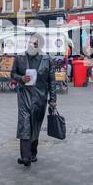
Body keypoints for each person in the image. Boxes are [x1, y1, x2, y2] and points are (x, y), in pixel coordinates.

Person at [11, 34, 57, 167]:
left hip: (40, 98)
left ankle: (32, 153)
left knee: (35, 125)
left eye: (35, 43)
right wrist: (21, 78)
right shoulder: (20, 57)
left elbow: (51, 81)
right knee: (24, 124)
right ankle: (25, 156)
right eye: (30, 43)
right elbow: (12, 74)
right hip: (24, 95)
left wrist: (52, 99)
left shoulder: (46, 59)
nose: (31, 45)